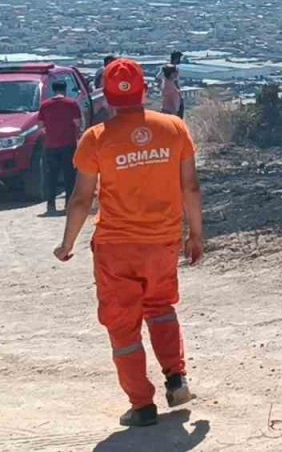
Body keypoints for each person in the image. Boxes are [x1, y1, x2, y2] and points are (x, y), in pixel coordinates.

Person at [53, 58, 204, 428]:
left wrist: (67, 243)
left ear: (106, 96)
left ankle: (141, 405)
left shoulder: (96, 138)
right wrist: (196, 233)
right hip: (163, 242)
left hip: (116, 249)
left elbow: (81, 199)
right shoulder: (174, 129)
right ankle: (176, 377)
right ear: (146, 91)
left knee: (123, 327)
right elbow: (190, 187)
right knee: (161, 307)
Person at [36, 79, 81, 216]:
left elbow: (40, 127)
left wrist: (51, 132)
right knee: (69, 175)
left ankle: (51, 204)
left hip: (50, 145)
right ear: (65, 90)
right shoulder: (72, 104)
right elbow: (78, 122)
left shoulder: (45, 105)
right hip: (69, 144)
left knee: (51, 176)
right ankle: (68, 203)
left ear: (53, 90)